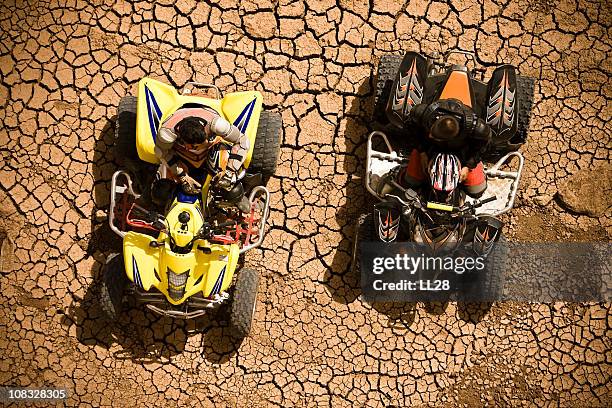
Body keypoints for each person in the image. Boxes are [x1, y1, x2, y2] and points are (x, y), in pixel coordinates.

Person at [152, 106, 251, 212]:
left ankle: (237, 197)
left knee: (229, 186)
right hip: (181, 155)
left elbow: (242, 141)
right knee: (161, 194)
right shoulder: (167, 134)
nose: (195, 148)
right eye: (193, 146)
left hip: (211, 151)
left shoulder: (217, 125)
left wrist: (230, 171)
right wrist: (182, 176)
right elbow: (161, 152)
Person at [398, 98, 492, 198]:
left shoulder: (477, 129)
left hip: (463, 153)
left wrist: (469, 165)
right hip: (428, 147)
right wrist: (422, 151)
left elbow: (484, 146)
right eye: (431, 131)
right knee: (410, 182)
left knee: (477, 191)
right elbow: (410, 130)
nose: (430, 135)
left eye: (435, 137)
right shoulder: (422, 114)